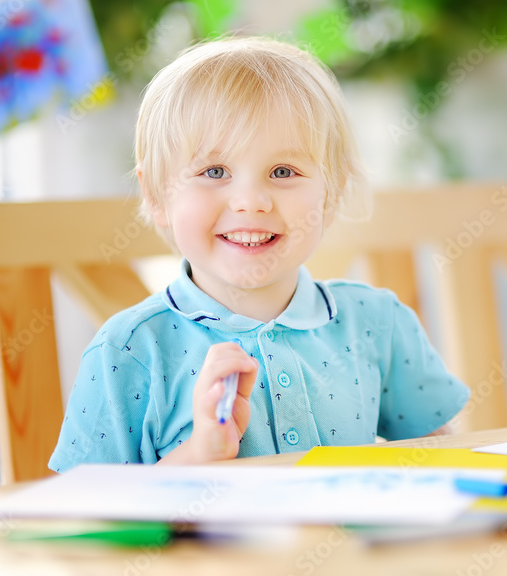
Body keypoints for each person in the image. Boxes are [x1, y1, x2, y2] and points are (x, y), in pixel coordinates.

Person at [49, 37, 470, 470]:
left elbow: (448, 462)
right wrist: (196, 456)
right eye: (215, 172)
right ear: (156, 195)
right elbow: (83, 513)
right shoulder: (129, 352)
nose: (251, 201)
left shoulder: (376, 322)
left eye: (283, 171)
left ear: (332, 193)